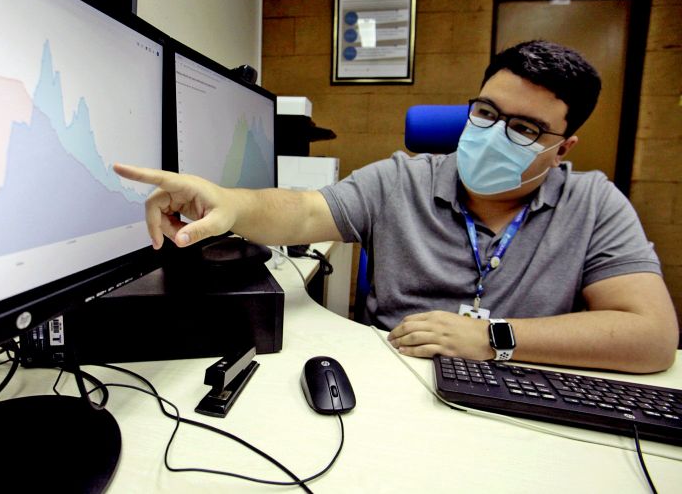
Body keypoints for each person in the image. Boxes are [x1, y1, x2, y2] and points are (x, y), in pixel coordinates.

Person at [114, 40, 678, 374]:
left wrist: (495, 339)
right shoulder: (402, 178)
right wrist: (229, 203)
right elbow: (304, 211)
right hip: (394, 378)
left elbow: (652, 337)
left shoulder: (594, 202)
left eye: (525, 129)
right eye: (485, 113)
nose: (494, 134)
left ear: (562, 148)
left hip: (514, 382)